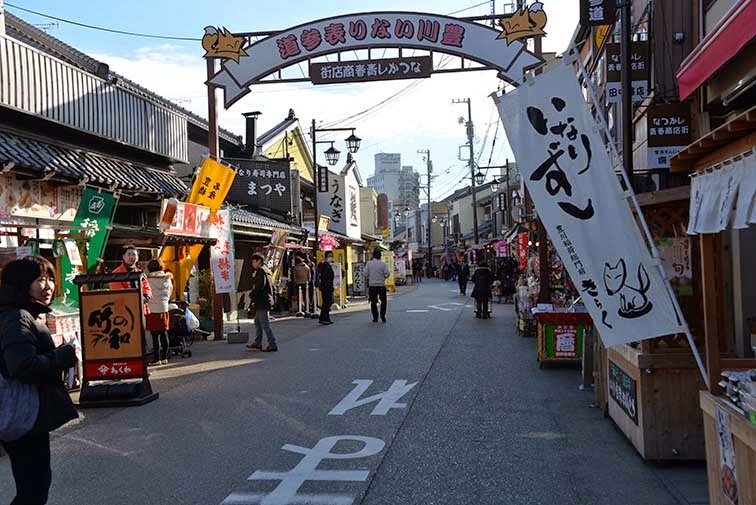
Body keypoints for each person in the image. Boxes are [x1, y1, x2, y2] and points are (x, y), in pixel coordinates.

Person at [0, 256, 78, 505]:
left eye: (50, 279)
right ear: (21, 283)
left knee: (32, 485)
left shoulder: (20, 313)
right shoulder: (18, 317)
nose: (48, 286)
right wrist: (62, 356)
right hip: (23, 411)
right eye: (39, 279)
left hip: (25, 411)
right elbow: (22, 366)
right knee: (33, 488)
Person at [246, 253, 278, 352]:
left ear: (259, 261)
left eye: (253, 261)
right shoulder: (267, 270)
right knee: (257, 322)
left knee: (264, 323)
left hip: (262, 300)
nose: (252, 264)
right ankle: (258, 342)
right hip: (265, 299)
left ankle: (272, 344)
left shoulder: (261, 271)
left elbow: (260, 285)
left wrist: (251, 295)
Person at [145, 259, 173, 365]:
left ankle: (157, 359)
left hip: (152, 310)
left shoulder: (148, 280)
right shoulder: (168, 279)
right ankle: (165, 357)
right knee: (164, 334)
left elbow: (146, 293)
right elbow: (169, 293)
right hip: (164, 309)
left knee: (154, 336)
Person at [364, 249, 390, 323]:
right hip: (381, 285)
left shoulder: (369, 263)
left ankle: (375, 317)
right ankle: (383, 315)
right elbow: (387, 274)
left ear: (373, 256)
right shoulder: (383, 264)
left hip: (372, 285)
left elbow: (365, 273)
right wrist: (383, 277)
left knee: (373, 302)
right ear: (380, 256)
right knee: (383, 301)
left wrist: (370, 277)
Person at [316, 251, 335, 325]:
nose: (331, 257)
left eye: (331, 256)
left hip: (327, 286)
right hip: (326, 287)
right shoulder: (325, 265)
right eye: (330, 256)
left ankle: (325, 317)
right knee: (327, 302)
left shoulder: (327, 265)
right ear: (326, 256)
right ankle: (324, 318)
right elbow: (324, 277)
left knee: (327, 302)